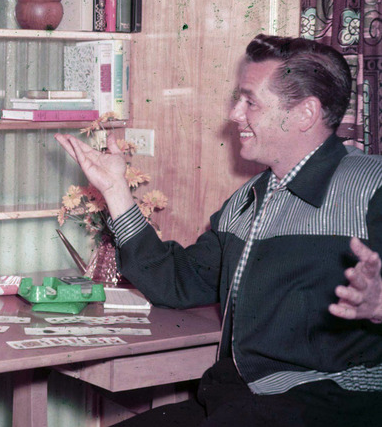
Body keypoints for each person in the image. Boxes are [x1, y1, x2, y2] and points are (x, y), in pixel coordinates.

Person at [56, 34, 382, 427]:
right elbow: (178, 283)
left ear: (305, 114)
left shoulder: (372, 186)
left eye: (249, 101)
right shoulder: (249, 199)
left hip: (335, 403)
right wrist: (116, 192)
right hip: (240, 399)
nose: (233, 114)